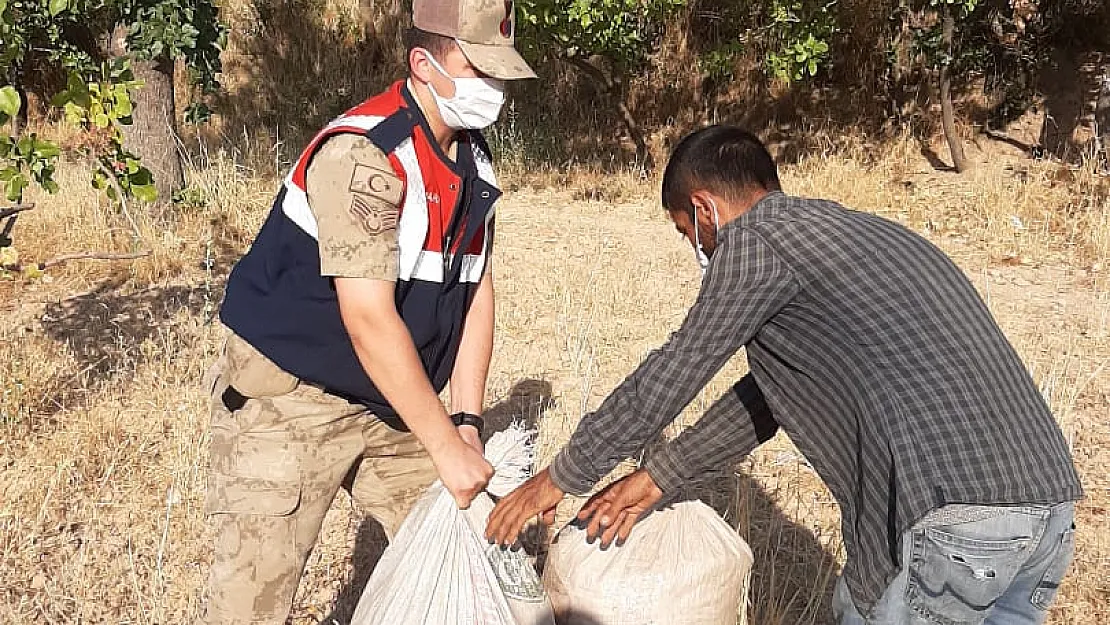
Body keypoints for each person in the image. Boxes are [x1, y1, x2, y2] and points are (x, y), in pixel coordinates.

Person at [487, 126, 1083, 625]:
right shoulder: (864, 233)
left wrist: (558, 479)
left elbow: (673, 371)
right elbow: (769, 399)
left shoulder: (756, 241)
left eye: (685, 232)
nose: (695, 247)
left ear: (703, 209)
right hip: (1048, 508)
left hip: (961, 520)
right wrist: (658, 478)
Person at [199, 1, 535, 622]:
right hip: (292, 399)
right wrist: (445, 445)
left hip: (392, 396)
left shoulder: (474, 159)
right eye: (479, 70)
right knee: (249, 602)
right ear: (423, 63)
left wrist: (463, 420)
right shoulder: (365, 156)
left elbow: (474, 288)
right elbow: (368, 318)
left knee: (465, 556)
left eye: (499, 73)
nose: (493, 89)